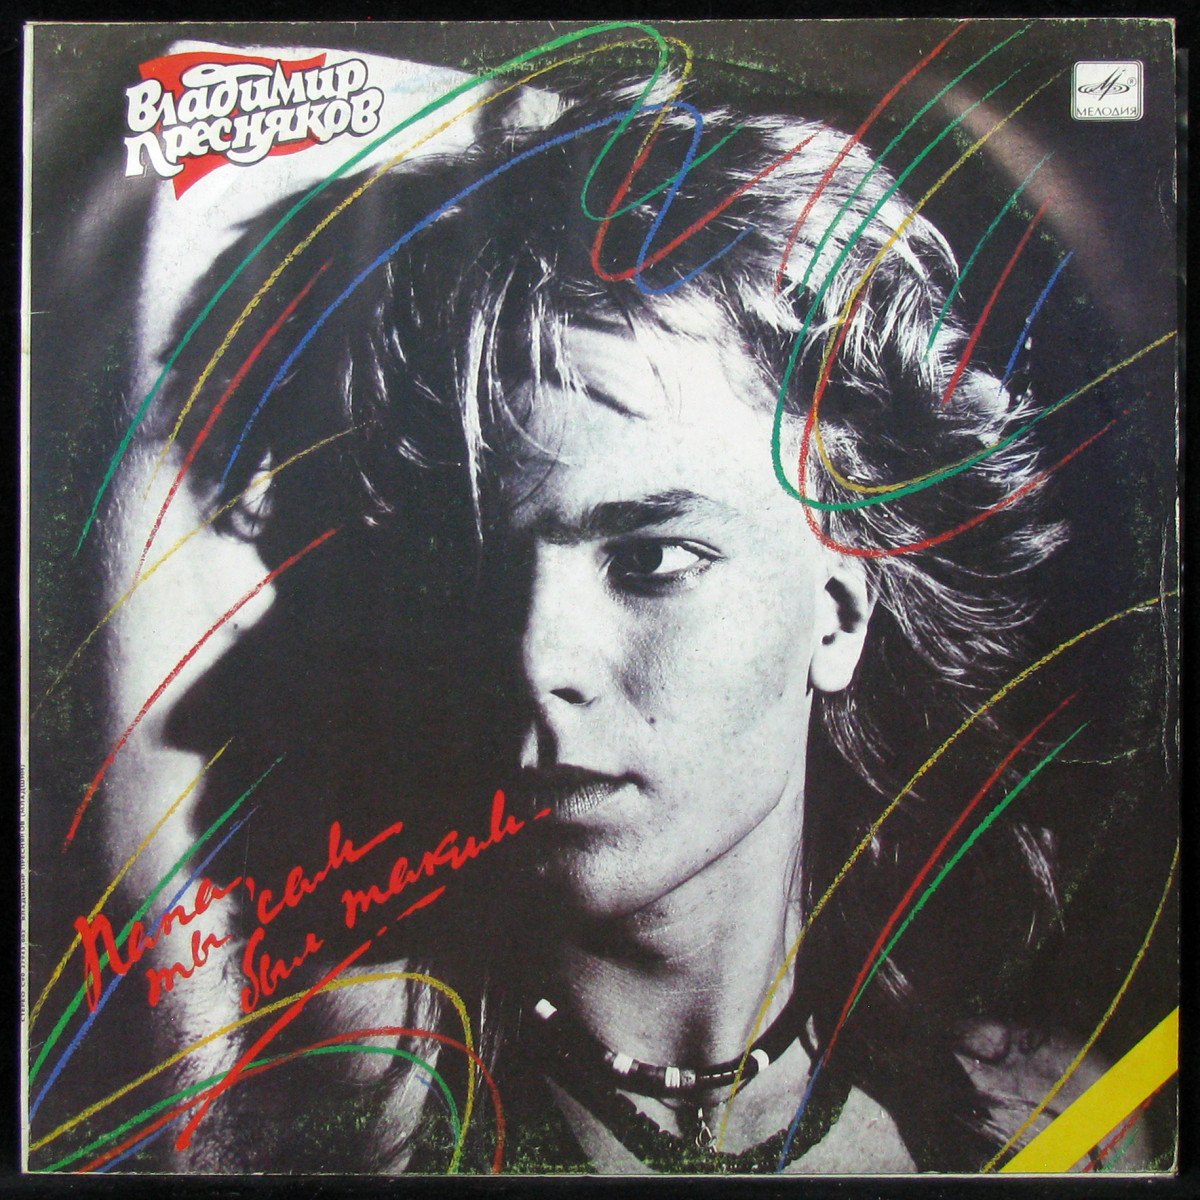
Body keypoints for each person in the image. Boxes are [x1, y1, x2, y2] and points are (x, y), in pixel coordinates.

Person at [112, 73, 1123, 1174]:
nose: (538, 657)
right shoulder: (347, 1102)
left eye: (650, 561)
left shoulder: (1059, 1132)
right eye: (489, 573)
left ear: (837, 614)